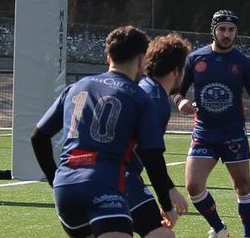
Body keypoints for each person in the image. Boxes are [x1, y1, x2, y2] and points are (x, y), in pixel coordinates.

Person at [32, 25, 176, 238]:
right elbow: (151, 155)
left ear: (109, 58)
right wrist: (167, 204)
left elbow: (38, 136)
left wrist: (56, 180)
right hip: (103, 185)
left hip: (66, 188)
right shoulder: (140, 97)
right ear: (141, 60)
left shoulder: (77, 86)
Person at [173, 10, 250, 238]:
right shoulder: (195, 58)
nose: (227, 34)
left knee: (243, 187)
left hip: (233, 134)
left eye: (231, 30)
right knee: (193, 186)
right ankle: (219, 229)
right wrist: (181, 100)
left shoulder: (243, 63)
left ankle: (248, 235)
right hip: (204, 133)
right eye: (222, 29)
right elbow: (176, 89)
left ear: (236, 32)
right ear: (213, 30)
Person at [136, 33, 198, 236]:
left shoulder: (143, 87)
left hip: (81, 179)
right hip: (116, 178)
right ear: (176, 71)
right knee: (163, 235)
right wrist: (168, 196)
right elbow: (150, 155)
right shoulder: (155, 99)